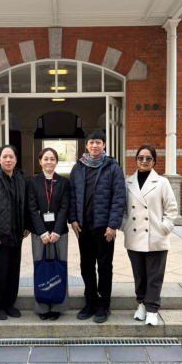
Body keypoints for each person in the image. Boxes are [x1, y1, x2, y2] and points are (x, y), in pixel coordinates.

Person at [69, 130, 126, 323]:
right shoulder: (78, 167)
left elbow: (119, 198)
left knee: (104, 267)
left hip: (104, 228)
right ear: (86, 145)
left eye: (98, 142)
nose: (94, 145)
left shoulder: (112, 167)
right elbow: (72, 195)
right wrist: (73, 220)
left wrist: (113, 225)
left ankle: (104, 305)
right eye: (91, 142)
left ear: (104, 145)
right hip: (83, 227)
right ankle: (90, 302)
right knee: (86, 266)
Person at [122, 145, 177, 326]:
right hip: (134, 235)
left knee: (154, 275)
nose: (144, 161)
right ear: (136, 160)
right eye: (140, 158)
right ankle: (142, 304)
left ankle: (152, 309)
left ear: (154, 161)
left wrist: (164, 227)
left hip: (156, 236)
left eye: (148, 158)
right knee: (139, 275)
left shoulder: (162, 182)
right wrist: (125, 226)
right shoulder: (127, 182)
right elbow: (121, 209)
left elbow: (171, 208)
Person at [0, 144, 30, 321]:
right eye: (5, 157)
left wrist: (26, 224)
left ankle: (9, 304)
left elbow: (25, 204)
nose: (8, 160)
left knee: (13, 271)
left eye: (11, 157)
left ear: (16, 160)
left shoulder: (21, 178)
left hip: (16, 234)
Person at [28, 147, 70, 320]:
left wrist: (57, 231)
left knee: (60, 267)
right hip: (39, 233)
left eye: (52, 159)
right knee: (41, 267)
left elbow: (64, 208)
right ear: (40, 161)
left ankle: (58, 305)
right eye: (45, 159)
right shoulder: (32, 182)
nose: (49, 162)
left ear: (56, 162)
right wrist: (42, 232)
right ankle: (42, 307)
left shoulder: (64, 183)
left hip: (60, 233)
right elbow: (32, 208)